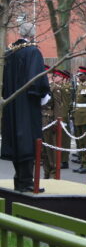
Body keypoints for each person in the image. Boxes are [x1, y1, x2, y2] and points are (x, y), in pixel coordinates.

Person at [1, 22, 50, 192]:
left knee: (16, 139)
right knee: (28, 140)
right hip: (27, 104)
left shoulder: (9, 53)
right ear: (33, 34)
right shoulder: (33, 51)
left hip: (11, 103)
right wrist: (43, 94)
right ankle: (26, 181)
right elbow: (36, 80)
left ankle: (19, 179)